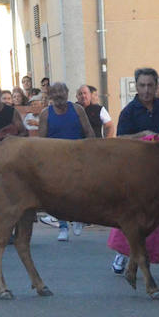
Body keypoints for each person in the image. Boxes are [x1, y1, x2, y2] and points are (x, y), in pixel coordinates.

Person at [113, 67, 159, 274]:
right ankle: (122, 252)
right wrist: (141, 135)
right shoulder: (128, 112)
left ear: (157, 85)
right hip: (137, 174)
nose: (146, 90)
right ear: (136, 86)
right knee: (133, 216)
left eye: (150, 85)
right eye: (142, 85)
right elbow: (120, 140)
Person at [41, 81, 96, 240]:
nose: (58, 95)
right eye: (55, 92)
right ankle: (63, 227)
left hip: (77, 157)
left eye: (61, 92)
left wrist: (91, 152)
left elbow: (89, 132)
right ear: (50, 96)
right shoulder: (46, 113)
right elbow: (42, 139)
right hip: (55, 160)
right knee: (58, 195)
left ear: (67, 93)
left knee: (79, 191)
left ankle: (79, 218)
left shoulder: (77, 109)